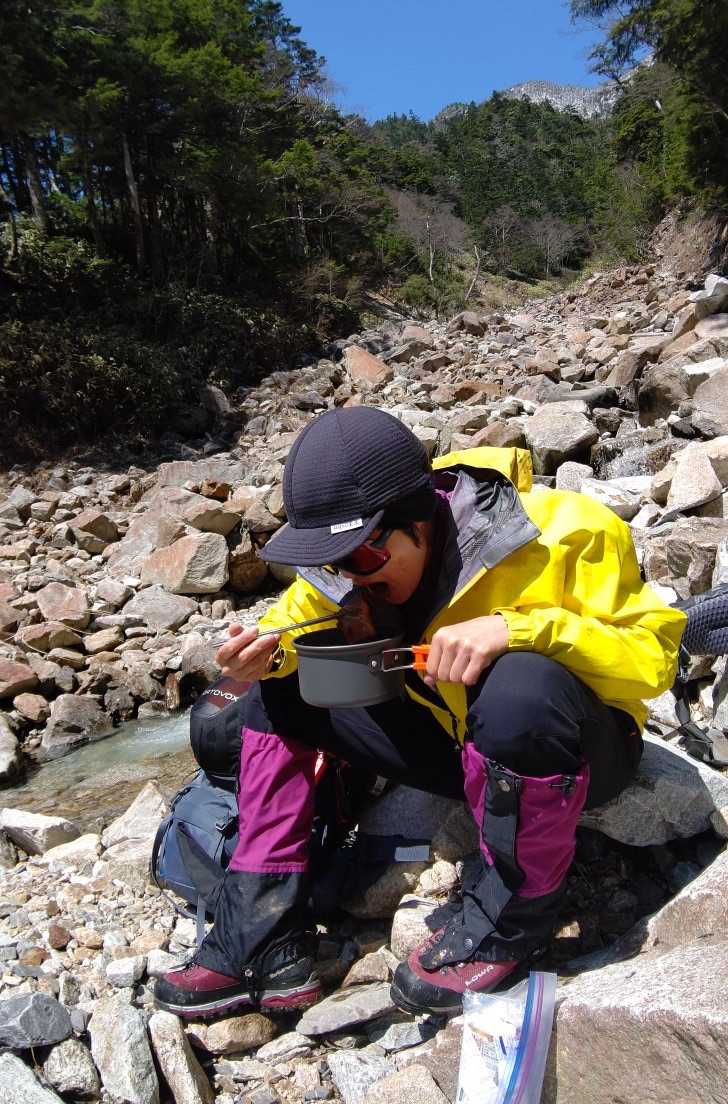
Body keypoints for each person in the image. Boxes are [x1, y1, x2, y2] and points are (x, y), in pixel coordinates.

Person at [154, 406, 685, 1020]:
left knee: (520, 685)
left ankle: (510, 925)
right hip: (455, 747)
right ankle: (262, 935)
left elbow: (655, 659)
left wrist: (516, 630)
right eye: (330, 561)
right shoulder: (351, 565)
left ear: (418, 521)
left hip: (576, 753)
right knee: (281, 690)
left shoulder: (565, 531)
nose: (346, 576)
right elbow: (291, 621)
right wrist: (264, 653)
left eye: (360, 558)